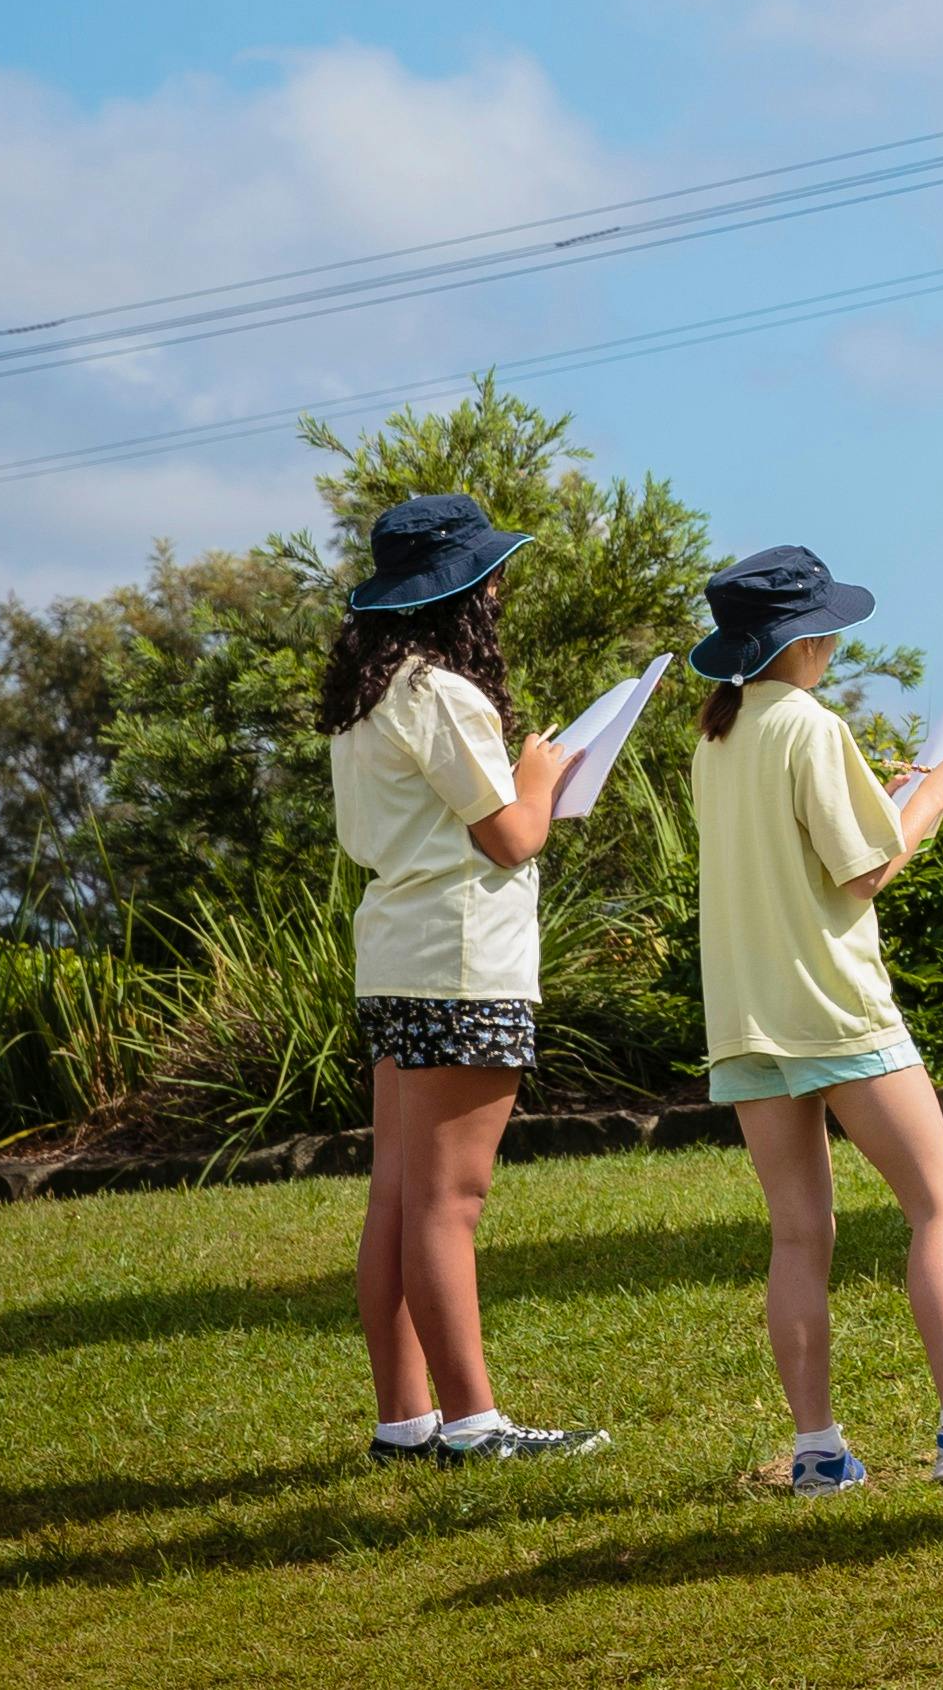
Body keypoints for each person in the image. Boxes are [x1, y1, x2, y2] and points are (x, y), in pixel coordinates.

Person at [688, 543, 943, 1491]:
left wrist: (897, 794)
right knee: (941, 1204)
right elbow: (864, 871)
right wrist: (938, 794)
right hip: (833, 1004)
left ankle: (817, 1453)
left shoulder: (721, 734)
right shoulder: (810, 726)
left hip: (746, 1014)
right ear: (809, 638)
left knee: (798, 1234)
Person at [324, 491, 604, 1464]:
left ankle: (406, 1422)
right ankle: (476, 1427)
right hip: (462, 963)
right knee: (449, 1204)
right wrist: (541, 773)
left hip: (396, 957)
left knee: (398, 1197)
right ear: (466, 592)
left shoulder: (367, 698)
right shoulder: (438, 692)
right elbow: (510, 838)